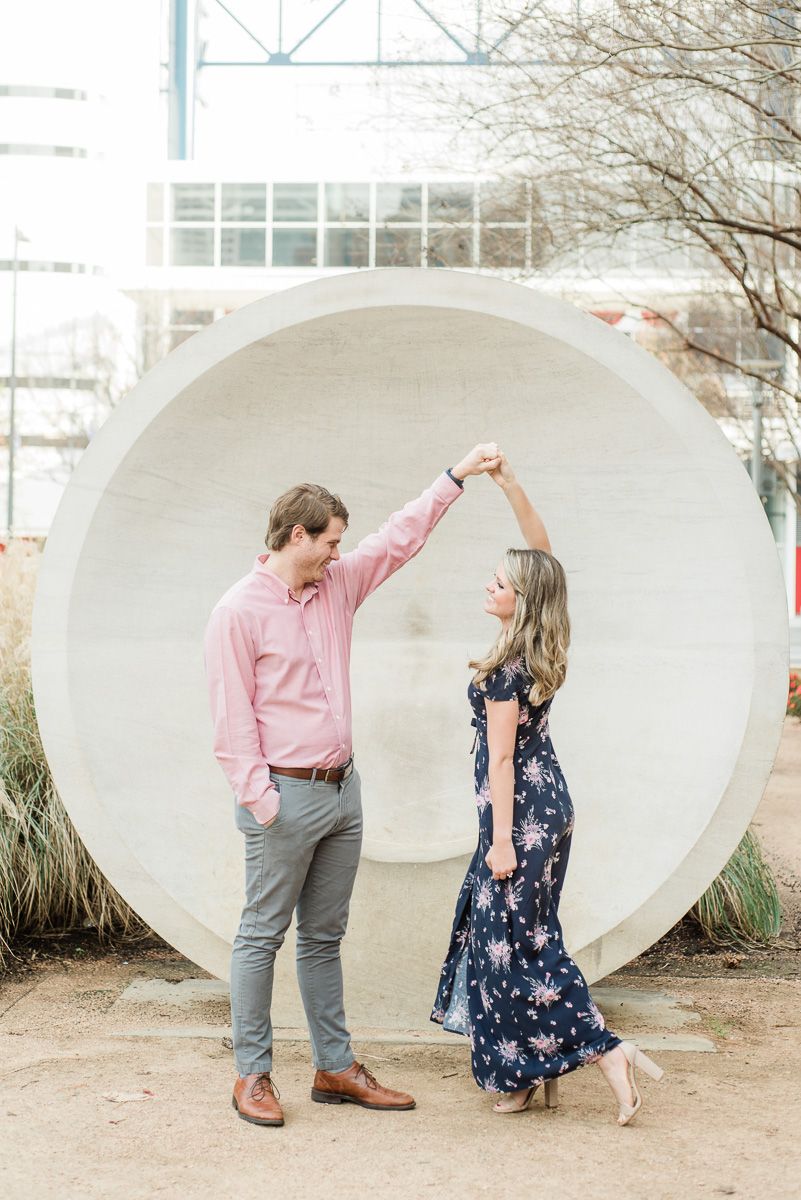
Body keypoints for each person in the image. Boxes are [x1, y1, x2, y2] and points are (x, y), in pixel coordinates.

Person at [204, 443, 502, 1127]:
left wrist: (453, 478)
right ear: (295, 536)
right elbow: (230, 720)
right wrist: (263, 801)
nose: (341, 553)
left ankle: (334, 1068)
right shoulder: (238, 610)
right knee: (260, 936)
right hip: (283, 797)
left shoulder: (337, 584)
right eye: (330, 541)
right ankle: (251, 1075)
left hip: (343, 793)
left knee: (322, 938)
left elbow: (398, 538)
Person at [431, 453, 664, 1125]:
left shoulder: (506, 667)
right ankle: (529, 1077)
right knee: (511, 938)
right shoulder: (534, 644)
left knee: (516, 944)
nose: (489, 584)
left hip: (521, 816)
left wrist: (500, 842)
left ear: (518, 599)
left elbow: (499, 761)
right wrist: (507, 486)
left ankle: (604, 1050)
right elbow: (544, 560)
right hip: (547, 806)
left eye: (499, 582)